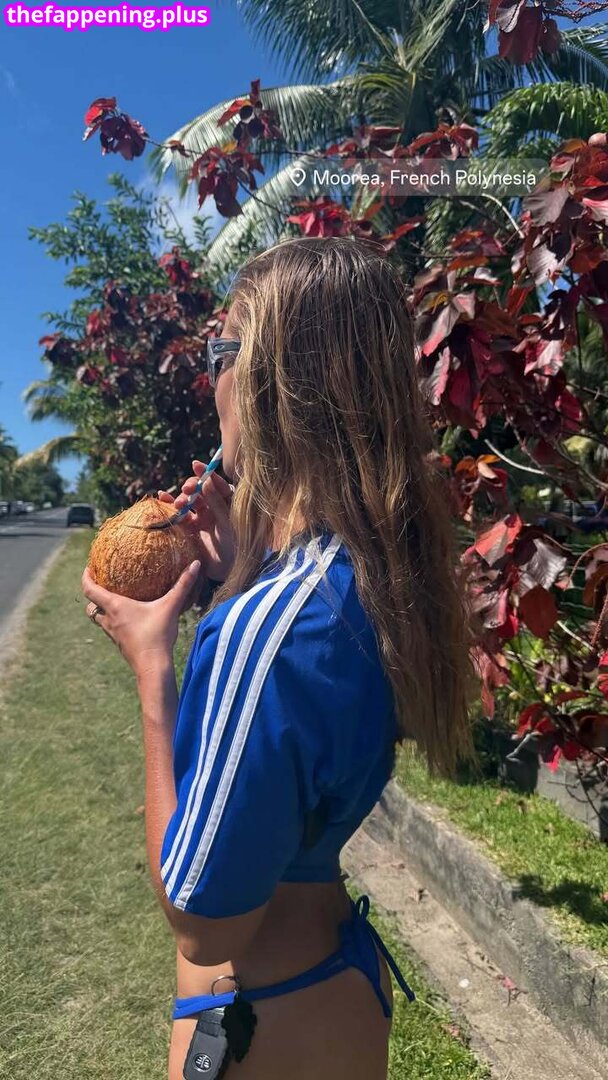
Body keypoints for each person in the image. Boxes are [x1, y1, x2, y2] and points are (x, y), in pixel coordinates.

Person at [82, 236, 475, 1080]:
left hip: (262, 1025)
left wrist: (154, 672)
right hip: (336, 988)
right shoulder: (369, 574)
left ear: (268, 381)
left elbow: (203, 923)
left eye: (220, 353)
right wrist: (247, 570)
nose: (210, 380)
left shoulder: (266, 633)